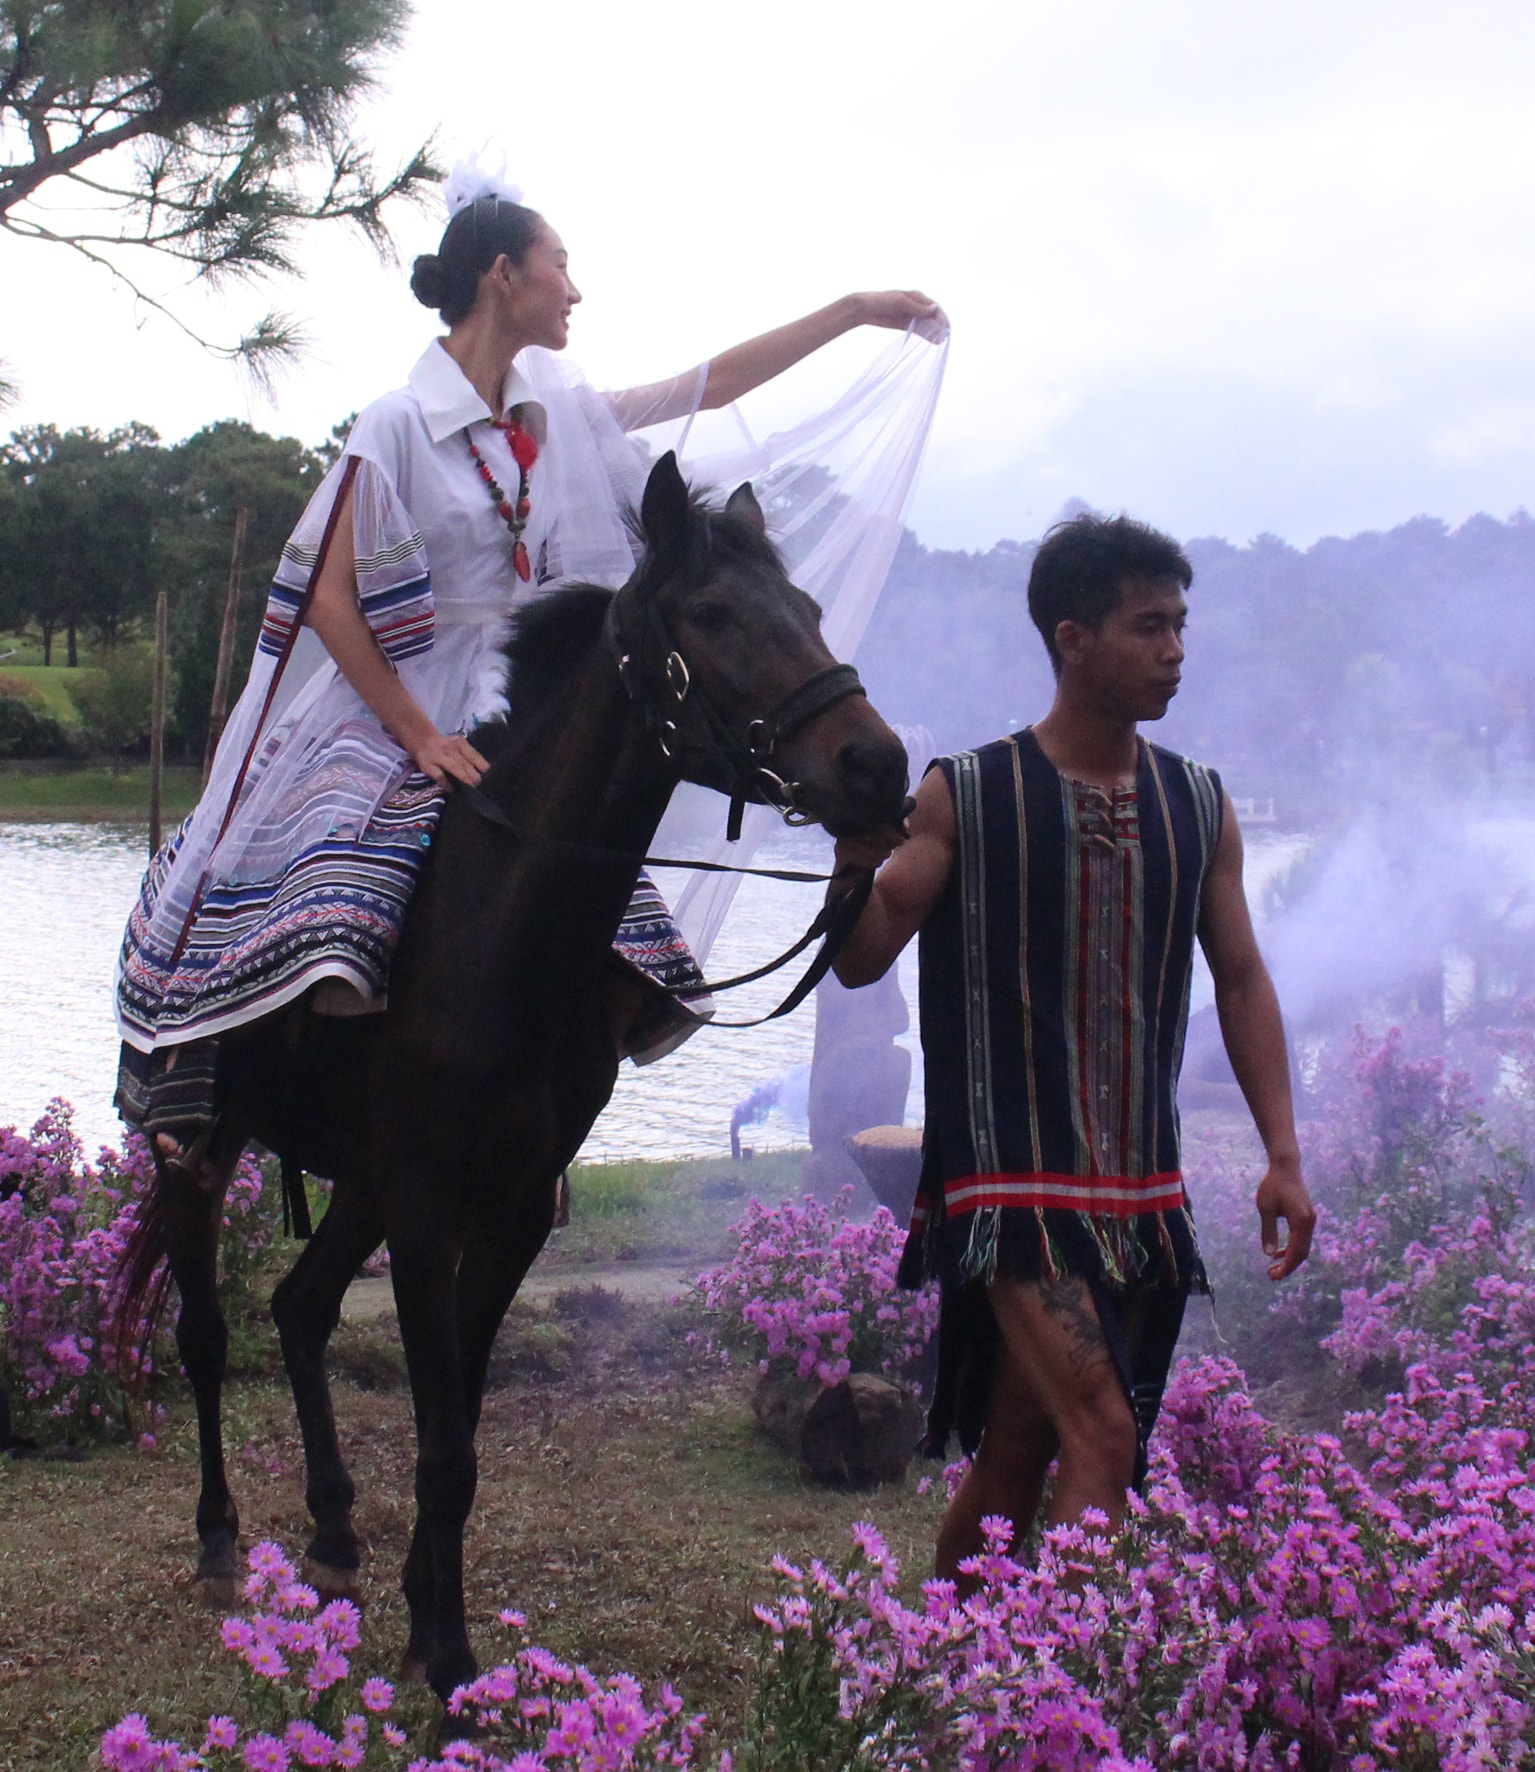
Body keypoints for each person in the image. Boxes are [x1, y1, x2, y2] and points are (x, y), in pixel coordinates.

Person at [115, 153, 944, 1156]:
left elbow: (708, 387)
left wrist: (850, 311)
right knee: (307, 868)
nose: (575, 289)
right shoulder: (398, 424)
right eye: (561, 264)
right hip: (394, 698)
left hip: (519, 698)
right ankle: (197, 1071)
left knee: (593, 895)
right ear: (503, 274)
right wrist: (416, 734)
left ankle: (522, 1117)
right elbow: (330, 599)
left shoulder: (557, 418)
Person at [828, 512, 1315, 1582]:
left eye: (1180, 625)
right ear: (1070, 638)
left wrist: (1281, 1152)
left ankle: (943, 1661)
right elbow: (863, 954)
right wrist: (847, 857)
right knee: (1103, 1433)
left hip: (1138, 1196)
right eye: (1149, 626)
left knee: (1019, 1447)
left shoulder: (1198, 804)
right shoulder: (966, 793)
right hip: (1012, 1191)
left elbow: (1239, 976)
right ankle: (1063, 1691)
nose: (1175, 650)